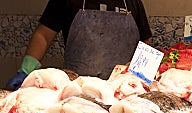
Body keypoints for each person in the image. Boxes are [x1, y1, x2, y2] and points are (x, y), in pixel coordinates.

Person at [6, 0, 152, 89]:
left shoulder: (133, 1)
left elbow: (146, 43)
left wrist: (143, 81)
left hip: (122, 91)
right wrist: (26, 69)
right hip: (76, 90)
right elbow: (43, 35)